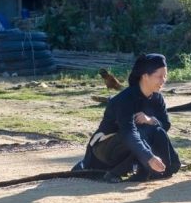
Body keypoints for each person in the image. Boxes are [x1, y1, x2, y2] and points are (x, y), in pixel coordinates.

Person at [72, 53, 180, 182]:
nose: (163, 81)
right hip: (105, 149)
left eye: (165, 76)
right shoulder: (125, 99)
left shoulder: (157, 98)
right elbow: (129, 133)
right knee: (141, 130)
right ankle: (115, 172)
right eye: (159, 77)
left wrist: (151, 120)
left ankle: (146, 170)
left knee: (155, 130)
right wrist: (149, 157)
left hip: (133, 145)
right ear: (145, 76)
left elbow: (165, 125)